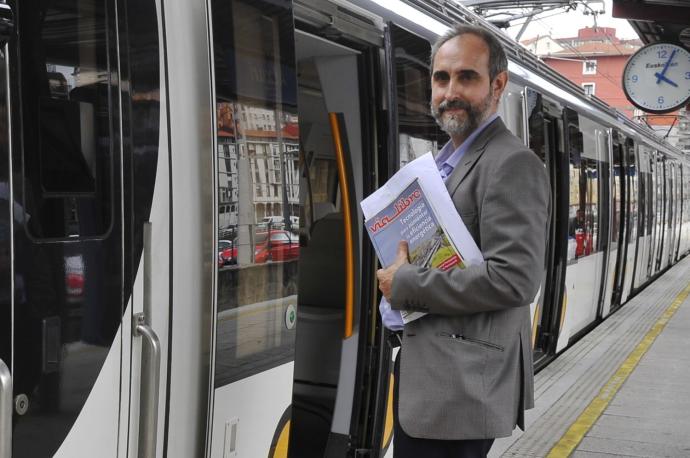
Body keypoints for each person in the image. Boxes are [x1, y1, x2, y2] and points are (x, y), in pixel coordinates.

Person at [376, 24, 550, 457]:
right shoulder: (444, 160)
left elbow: (515, 280)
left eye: (466, 77)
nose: (450, 91)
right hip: (434, 381)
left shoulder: (512, 163)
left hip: (461, 390)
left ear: (498, 84)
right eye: (441, 78)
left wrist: (406, 285)